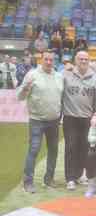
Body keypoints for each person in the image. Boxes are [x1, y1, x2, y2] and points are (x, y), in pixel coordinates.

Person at [16, 51, 63, 193]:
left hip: (54, 121)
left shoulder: (59, 76)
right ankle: (28, 182)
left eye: (51, 59)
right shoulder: (32, 75)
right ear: (41, 60)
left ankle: (48, 179)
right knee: (34, 150)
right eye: (46, 59)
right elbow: (20, 97)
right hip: (37, 120)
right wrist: (24, 89)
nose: (49, 62)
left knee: (53, 150)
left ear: (54, 61)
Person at [63, 51, 96, 191]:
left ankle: (80, 175)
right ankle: (70, 178)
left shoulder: (94, 78)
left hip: (87, 118)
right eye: (81, 59)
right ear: (75, 60)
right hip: (70, 117)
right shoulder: (66, 74)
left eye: (86, 59)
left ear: (89, 61)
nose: (83, 61)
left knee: (84, 148)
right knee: (71, 147)